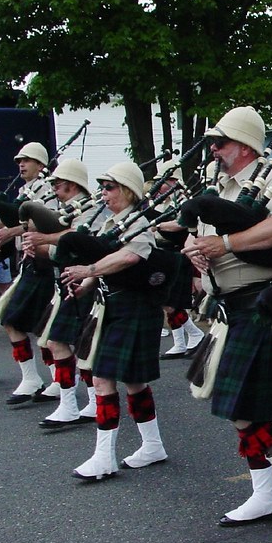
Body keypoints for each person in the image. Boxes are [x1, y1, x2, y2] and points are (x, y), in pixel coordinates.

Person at [182, 106, 272, 524]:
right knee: (240, 406)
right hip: (229, 306)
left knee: (249, 404)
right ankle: (267, 486)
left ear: (243, 146)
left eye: (219, 143)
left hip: (264, 301)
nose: (213, 150)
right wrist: (195, 252)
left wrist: (226, 244)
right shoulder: (221, 188)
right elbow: (203, 238)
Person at [59, 162, 168, 480]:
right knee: (133, 381)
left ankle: (104, 456)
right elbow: (106, 265)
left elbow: (129, 258)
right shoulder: (112, 223)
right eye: (102, 187)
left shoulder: (140, 223)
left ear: (129, 190)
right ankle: (153, 445)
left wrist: (88, 271)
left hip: (133, 308)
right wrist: (86, 285)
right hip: (112, 307)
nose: (103, 194)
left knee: (102, 377)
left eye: (109, 188)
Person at [20, 159, 98, 428]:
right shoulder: (67, 209)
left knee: (71, 344)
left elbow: (76, 240)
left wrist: (41, 241)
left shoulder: (91, 210)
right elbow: (59, 243)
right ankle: (81, 402)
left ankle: (78, 403)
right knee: (62, 343)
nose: (53, 187)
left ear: (73, 184)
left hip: (84, 283)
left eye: (57, 183)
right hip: (65, 281)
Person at [0, 141, 59, 406]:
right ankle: (34, 378)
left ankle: (54, 380)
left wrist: (9, 231)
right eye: (19, 161)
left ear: (40, 164)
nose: (21, 165)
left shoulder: (48, 190)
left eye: (26, 160)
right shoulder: (24, 190)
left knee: (39, 325)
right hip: (28, 264)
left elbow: (37, 223)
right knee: (13, 320)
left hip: (44, 265)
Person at [149, 160, 205, 360]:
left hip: (178, 253)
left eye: (163, 181)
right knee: (170, 302)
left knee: (169, 302)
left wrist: (158, 225)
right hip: (165, 253)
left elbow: (183, 224)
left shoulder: (182, 199)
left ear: (173, 181)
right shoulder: (164, 201)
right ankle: (180, 342)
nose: (159, 185)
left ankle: (195, 334)